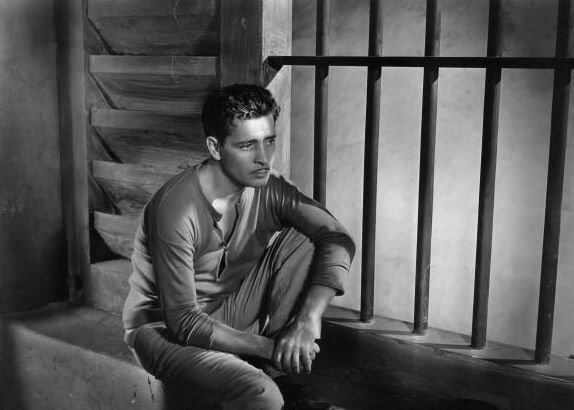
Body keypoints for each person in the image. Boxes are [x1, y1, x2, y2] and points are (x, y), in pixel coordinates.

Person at [122, 83, 355, 410]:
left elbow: (337, 237)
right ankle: (272, 377)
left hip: (229, 311)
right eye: (247, 145)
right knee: (261, 395)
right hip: (163, 331)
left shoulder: (270, 187)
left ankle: (280, 377)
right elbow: (184, 322)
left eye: (269, 141)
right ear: (215, 147)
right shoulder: (176, 209)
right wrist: (269, 348)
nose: (263, 158)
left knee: (309, 237)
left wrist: (308, 320)